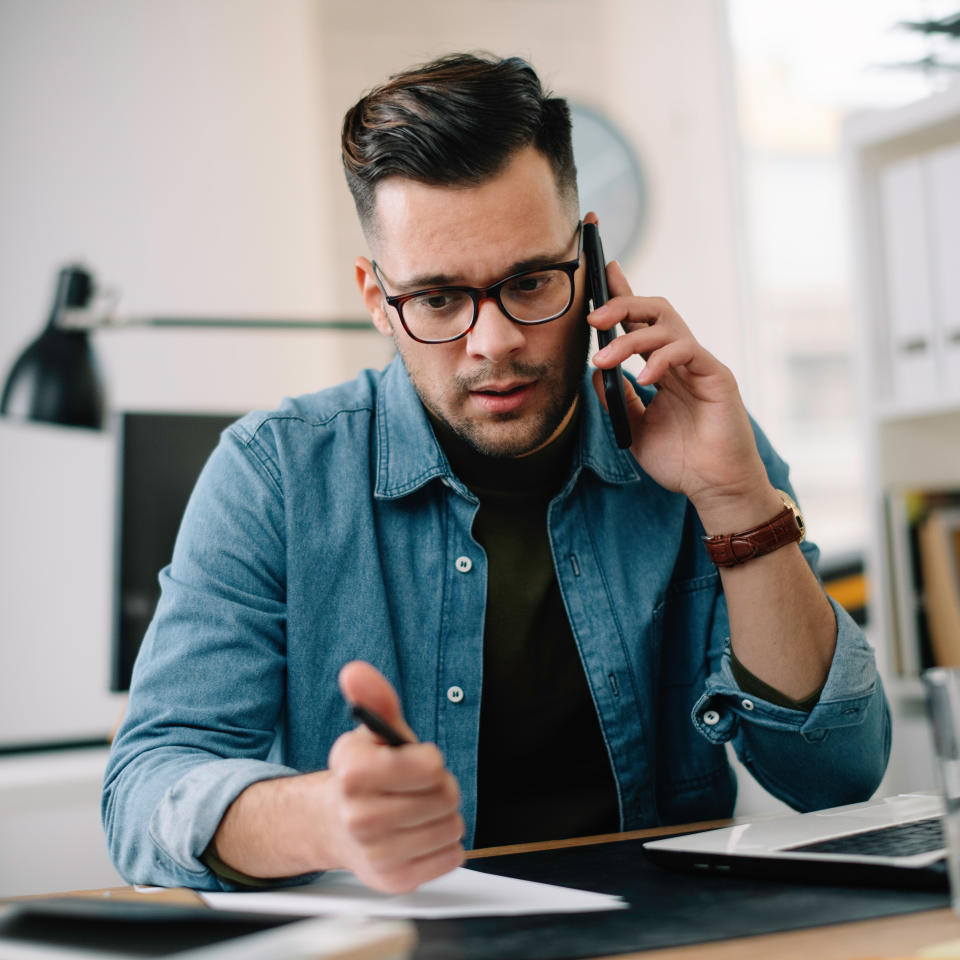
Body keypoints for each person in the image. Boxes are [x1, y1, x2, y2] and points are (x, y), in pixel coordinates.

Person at [102, 52, 890, 895]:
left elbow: (837, 776)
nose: (495, 343)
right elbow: (145, 790)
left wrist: (737, 502)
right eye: (439, 300)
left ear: (587, 262)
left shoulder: (707, 442)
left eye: (529, 282)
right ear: (377, 298)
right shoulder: (275, 476)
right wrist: (326, 817)